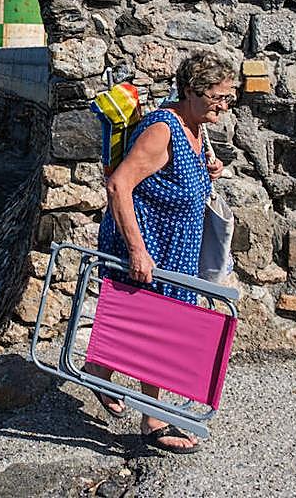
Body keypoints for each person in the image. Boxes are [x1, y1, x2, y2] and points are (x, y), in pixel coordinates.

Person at [89, 50, 236, 453]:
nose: (224, 106)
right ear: (191, 91)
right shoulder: (163, 128)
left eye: (228, 98)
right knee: (155, 327)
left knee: (160, 324)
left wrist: (211, 169)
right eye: (218, 97)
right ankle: (152, 420)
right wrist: (138, 250)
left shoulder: (196, 126)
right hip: (150, 243)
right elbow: (119, 185)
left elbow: (179, 172)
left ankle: (99, 367)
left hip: (177, 246)